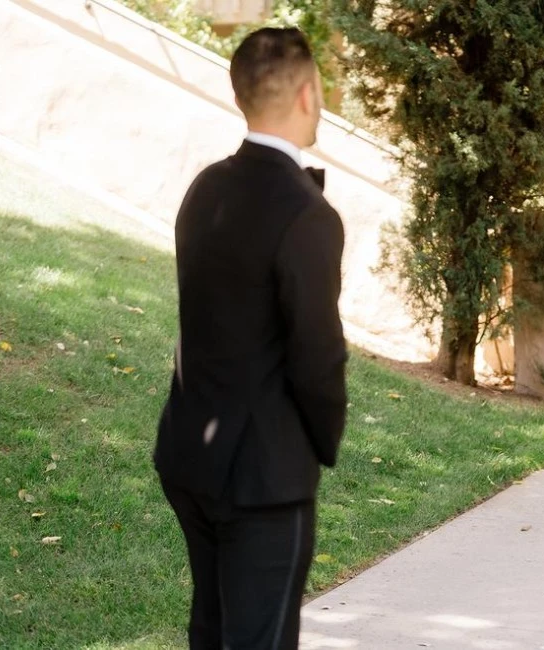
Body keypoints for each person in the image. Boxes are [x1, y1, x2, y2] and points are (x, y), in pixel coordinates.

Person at [154, 27, 347, 648]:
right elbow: (317, 357)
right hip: (265, 476)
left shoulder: (203, 187)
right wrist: (320, 443)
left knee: (210, 633)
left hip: (190, 456)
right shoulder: (306, 213)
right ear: (308, 94)